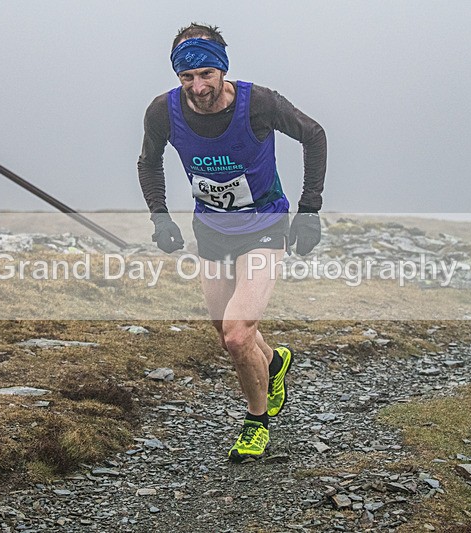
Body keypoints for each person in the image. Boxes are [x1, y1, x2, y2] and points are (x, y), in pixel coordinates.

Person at [137, 23, 326, 462]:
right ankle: (275, 363)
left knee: (238, 337)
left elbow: (313, 135)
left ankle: (256, 422)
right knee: (226, 330)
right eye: (187, 78)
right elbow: (149, 161)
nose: (198, 87)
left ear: (223, 68)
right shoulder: (163, 112)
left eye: (206, 74)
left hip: (264, 224)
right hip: (212, 229)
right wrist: (160, 216)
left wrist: (310, 209)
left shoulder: (258, 104)